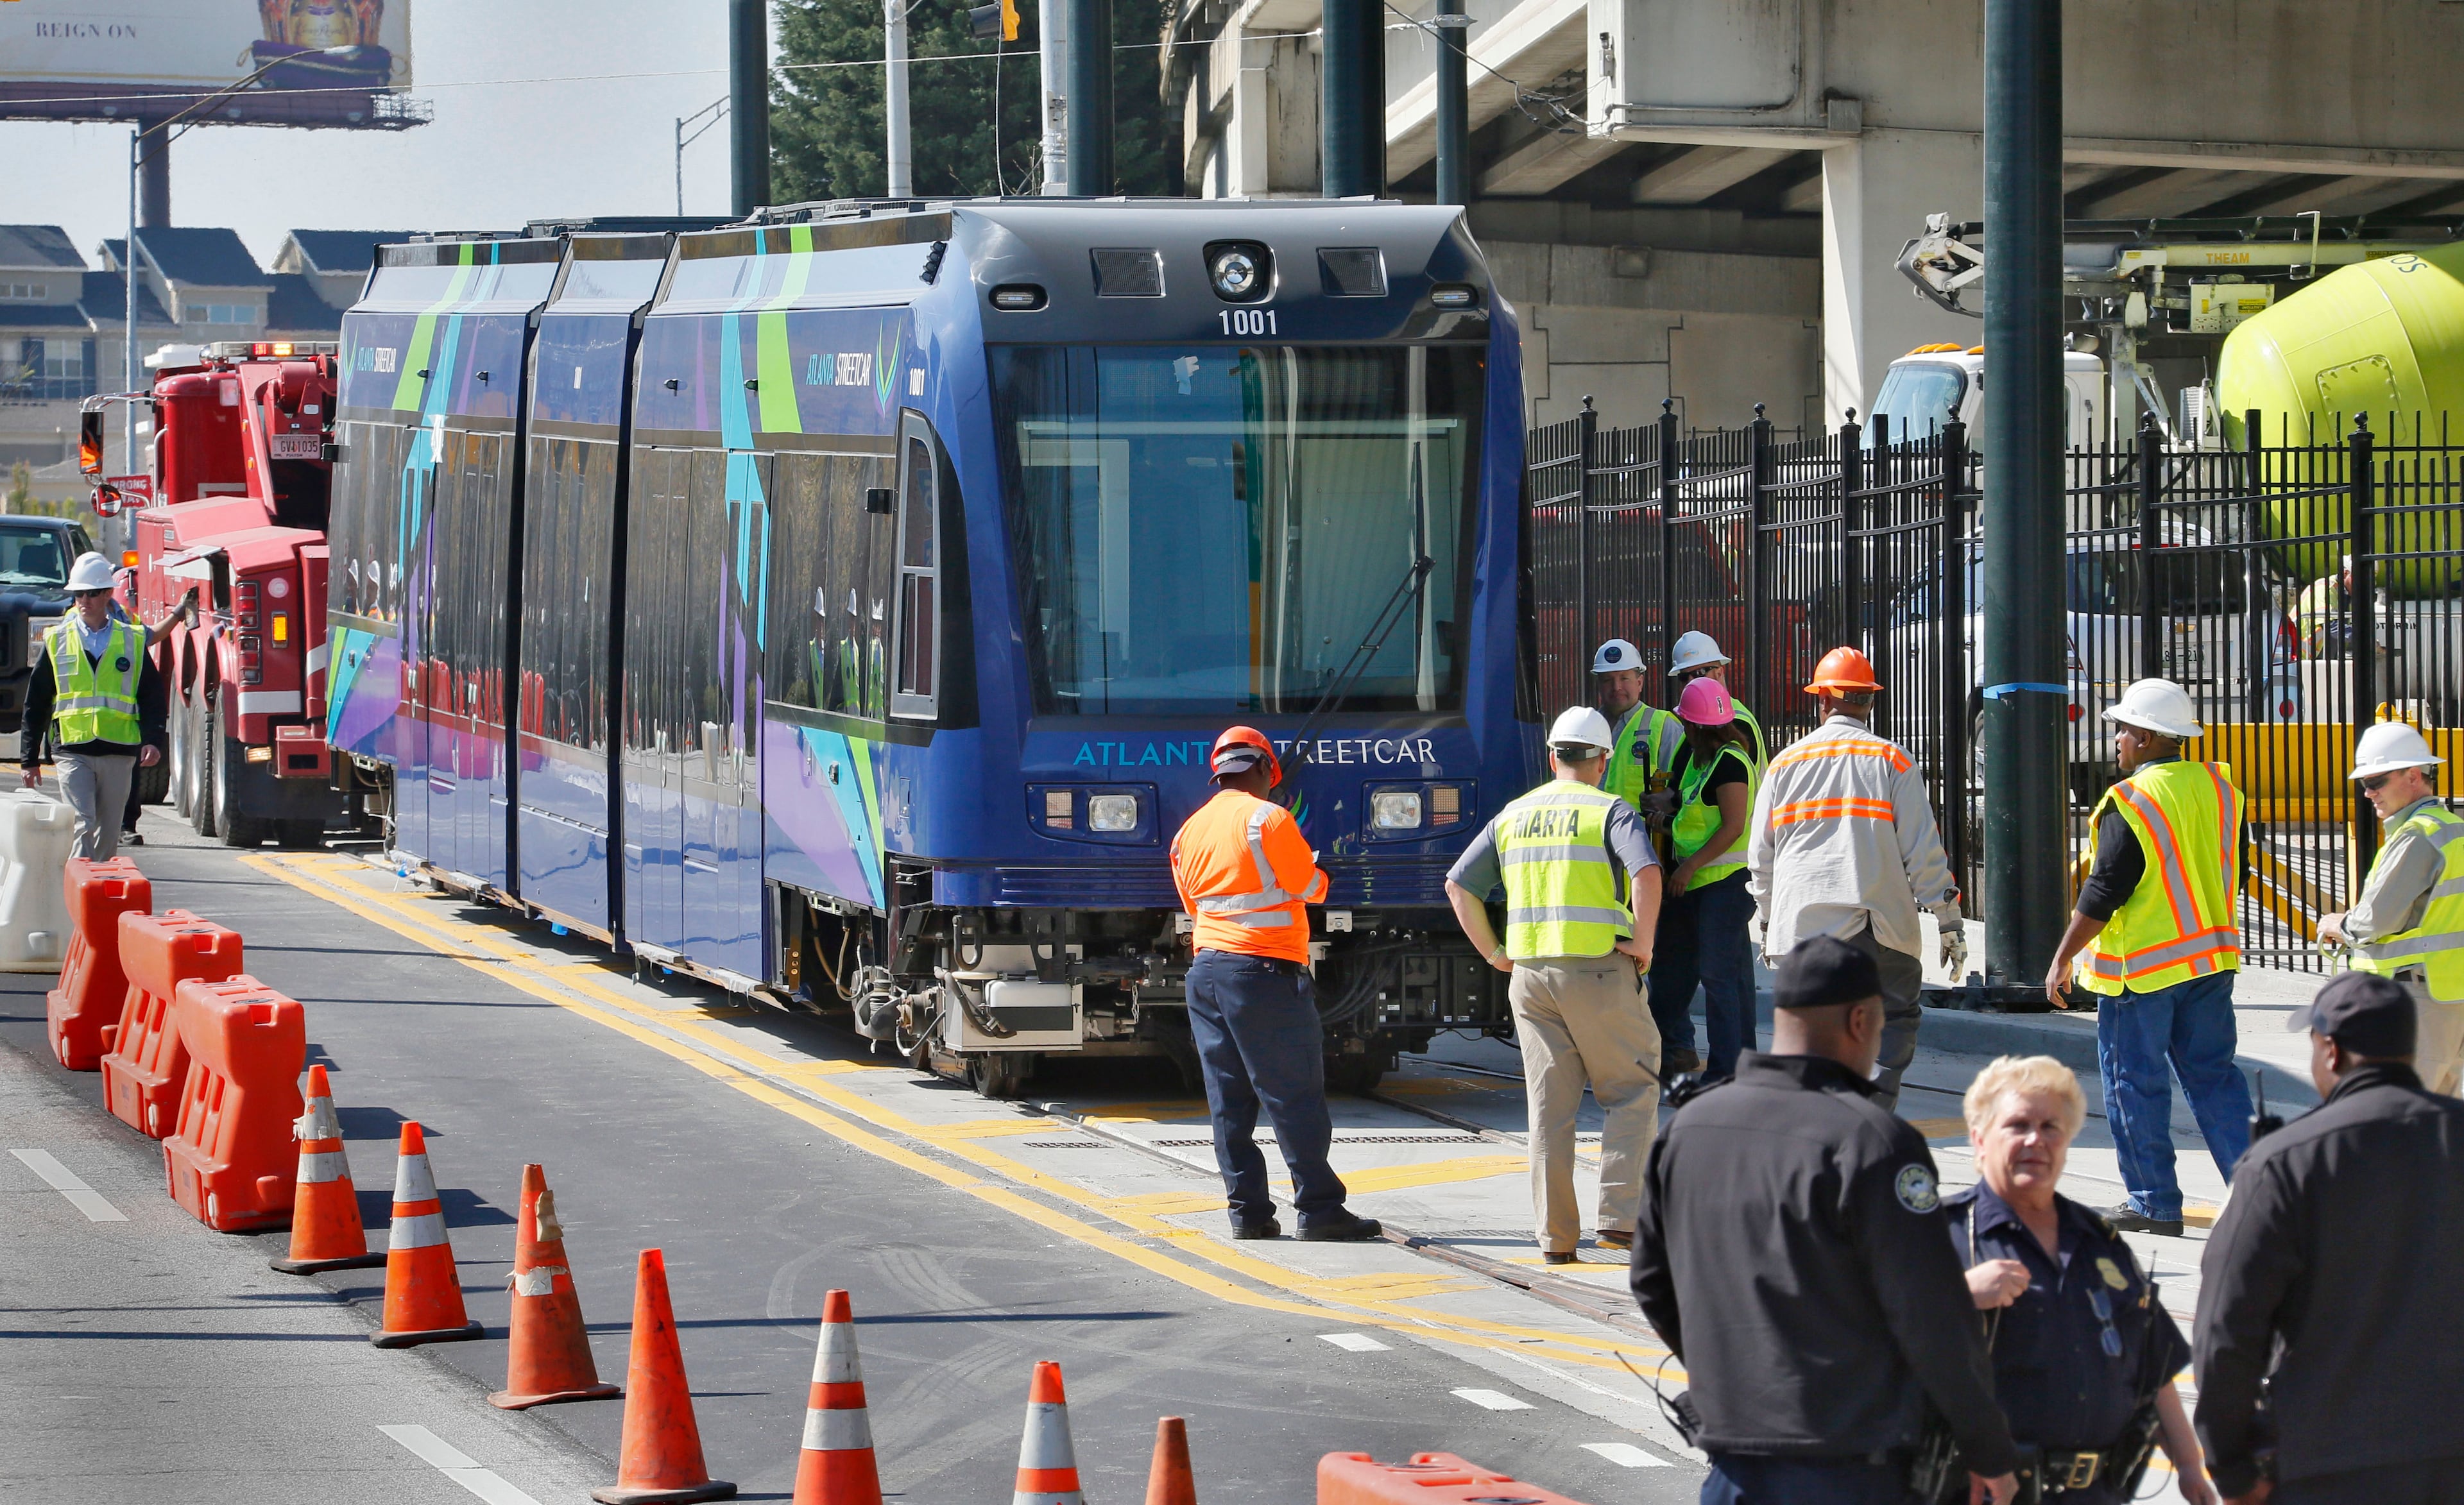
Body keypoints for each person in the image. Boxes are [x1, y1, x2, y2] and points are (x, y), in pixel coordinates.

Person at [1634, 936, 2019, 1505]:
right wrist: (1987, 1449)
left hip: (1733, 1466)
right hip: (1847, 1467)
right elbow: (1930, 1313)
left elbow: (1650, 1281)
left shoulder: (1689, 1130)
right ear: (1861, 1021)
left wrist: (1731, 1380)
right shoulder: (1872, 1140)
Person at [2195, 972, 2464, 1504]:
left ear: (2331, 1051)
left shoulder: (2283, 1163)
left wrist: (2233, 1469)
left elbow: (2228, 1330)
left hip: (2330, 1462)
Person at [1944, 1055, 2216, 1505]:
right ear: (1980, 1139)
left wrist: (2189, 1466)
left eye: (2051, 1127)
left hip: (2097, 1493)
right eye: (2017, 1125)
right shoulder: (1944, 1236)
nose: (2035, 1139)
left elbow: (2153, 1364)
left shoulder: (2098, 1242)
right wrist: (1960, 1295)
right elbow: (1875, 1341)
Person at [1446, 706, 1662, 1263]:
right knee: (1632, 1091)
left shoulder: (1514, 815)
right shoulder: (1610, 810)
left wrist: (1495, 953)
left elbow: (1458, 886)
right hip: (1597, 971)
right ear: (1603, 761)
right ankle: (1619, 1222)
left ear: (1552, 758)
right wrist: (1643, 941)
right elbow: (1646, 872)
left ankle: (1556, 1241)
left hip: (1531, 977)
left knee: (1549, 1111)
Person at [2043, 677, 2253, 1236]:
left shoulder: (2132, 800)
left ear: (2145, 737)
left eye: (2122, 730)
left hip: (2143, 972)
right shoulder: (2221, 789)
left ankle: (2153, 1202)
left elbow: (2104, 890)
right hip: (2210, 962)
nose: (2116, 739)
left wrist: (2063, 956)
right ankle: (2263, 1199)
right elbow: (2239, 869)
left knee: (2134, 1083)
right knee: (2215, 1079)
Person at [1168, 726, 1380, 1243]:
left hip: (1207, 973)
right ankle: (1320, 1211)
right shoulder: (1268, 818)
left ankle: (1248, 1213)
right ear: (1264, 769)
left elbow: (1195, 906)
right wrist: (1322, 875)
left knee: (1228, 1101)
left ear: (1220, 772)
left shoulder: (1188, 832)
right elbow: (1308, 886)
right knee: (1293, 1094)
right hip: (1263, 971)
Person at [1744, 646, 1964, 1110]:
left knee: (1810, 1040)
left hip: (1802, 933)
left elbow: (1761, 859)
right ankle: (1867, 1117)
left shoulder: (1784, 765)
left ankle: (1817, 1124)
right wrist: (1947, 920)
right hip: (1876, 929)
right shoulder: (1892, 761)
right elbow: (1923, 852)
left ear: (1823, 699)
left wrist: (1766, 919)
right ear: (1870, 701)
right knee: (1891, 1023)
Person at [2317, 721, 2464, 1094]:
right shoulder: (2453, 829)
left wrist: (2338, 925)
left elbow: (2374, 921)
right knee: (2435, 1116)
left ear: (2413, 776)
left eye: (2376, 781)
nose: (2369, 793)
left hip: (2413, 1001)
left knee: (2399, 1113)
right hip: (2447, 997)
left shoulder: (2417, 837)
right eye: (2365, 784)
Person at [20, 552, 167, 861]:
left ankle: (99, 886)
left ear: (108, 594)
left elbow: (152, 696)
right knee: (81, 824)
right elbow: (37, 701)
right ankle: (81, 888)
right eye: (79, 594)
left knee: (109, 832)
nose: (84, 600)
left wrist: (153, 740)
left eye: (92, 593)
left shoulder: (132, 640)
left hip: (119, 749)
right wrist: (29, 759)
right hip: (72, 748)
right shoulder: (57, 639)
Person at [1647, 677, 1759, 1079]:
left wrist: (1689, 866)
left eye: (1686, 724)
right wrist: (1665, 819)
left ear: (1695, 726)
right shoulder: (1705, 762)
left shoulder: (1730, 763)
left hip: (1724, 883)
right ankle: (1669, 1052)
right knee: (1683, 971)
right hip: (1700, 883)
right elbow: (1698, 817)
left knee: (1718, 978)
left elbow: (1732, 826)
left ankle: (1727, 1072)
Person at [1668, 629, 1767, 769]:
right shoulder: (1696, 722)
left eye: (1699, 673)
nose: (1691, 682)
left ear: (1719, 673)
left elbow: (1730, 776)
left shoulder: (1736, 723)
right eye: (1684, 677)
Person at [2292, 556, 2350, 659]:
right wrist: (2363, 638)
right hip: (2302, 655)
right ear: (2345, 574)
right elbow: (2331, 626)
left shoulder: (2343, 593)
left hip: (2316, 653)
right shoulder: (2325, 588)